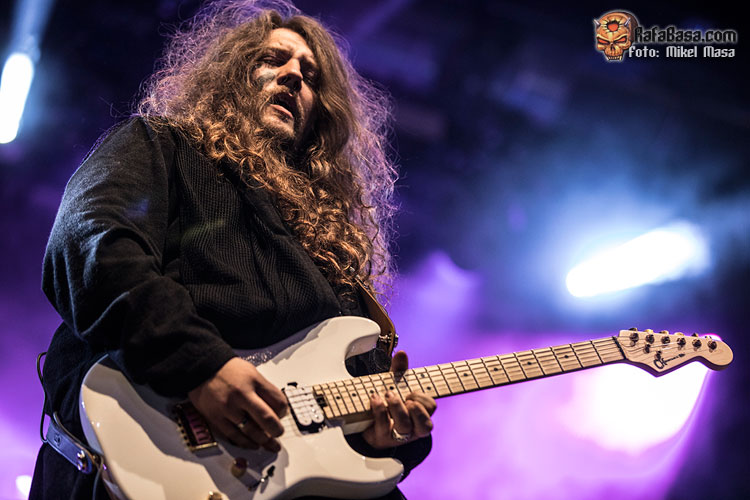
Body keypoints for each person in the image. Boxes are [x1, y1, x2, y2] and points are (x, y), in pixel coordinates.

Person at [29, 1, 436, 498]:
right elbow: (94, 244)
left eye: (310, 76)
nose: (293, 76)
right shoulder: (162, 144)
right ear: (230, 76)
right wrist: (201, 365)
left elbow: (353, 397)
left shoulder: (332, 242)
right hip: (132, 460)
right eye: (272, 59)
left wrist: (384, 438)